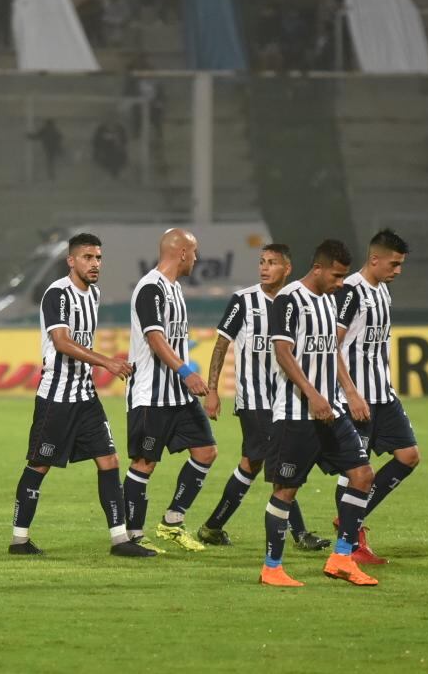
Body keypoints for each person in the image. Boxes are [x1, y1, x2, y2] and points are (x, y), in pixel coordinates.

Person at [9, 233, 155, 558]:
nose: (95, 264)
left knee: (110, 460)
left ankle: (120, 540)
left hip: (85, 396)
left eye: (98, 258)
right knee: (39, 465)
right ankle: (19, 540)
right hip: (57, 398)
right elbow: (61, 341)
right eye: (88, 257)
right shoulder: (58, 294)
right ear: (71, 260)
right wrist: (107, 361)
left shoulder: (94, 294)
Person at [260, 240, 378, 587]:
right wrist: (312, 395)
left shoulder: (328, 301)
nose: (342, 283)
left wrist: (351, 391)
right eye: (337, 276)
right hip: (296, 415)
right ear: (318, 269)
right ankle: (272, 568)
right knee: (286, 491)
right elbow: (283, 352)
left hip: (332, 411)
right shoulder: (289, 299)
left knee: (362, 475)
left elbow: (332, 351)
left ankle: (341, 558)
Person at [198, 244, 331, 551]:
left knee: (252, 463)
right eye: (261, 262)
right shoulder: (244, 300)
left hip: (285, 399)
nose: (264, 267)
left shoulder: (297, 301)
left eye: (272, 263)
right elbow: (221, 345)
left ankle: (213, 527)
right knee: (277, 460)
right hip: (254, 398)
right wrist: (213, 389)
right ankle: (299, 534)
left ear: (287, 268)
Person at [123, 228, 216, 553]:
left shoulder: (175, 289)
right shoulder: (151, 288)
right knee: (144, 463)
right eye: (194, 252)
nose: (196, 258)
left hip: (178, 395)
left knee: (206, 452)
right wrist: (187, 372)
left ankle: (172, 521)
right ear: (181, 253)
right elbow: (155, 339)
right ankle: (132, 535)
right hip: (151, 394)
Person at [332, 229, 419, 565]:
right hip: (356, 398)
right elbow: (331, 346)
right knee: (355, 471)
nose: (398, 270)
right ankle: (351, 541)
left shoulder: (382, 292)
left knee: (408, 456)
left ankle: (350, 522)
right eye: (394, 264)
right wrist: (351, 393)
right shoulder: (350, 292)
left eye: (401, 265)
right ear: (375, 259)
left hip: (383, 395)